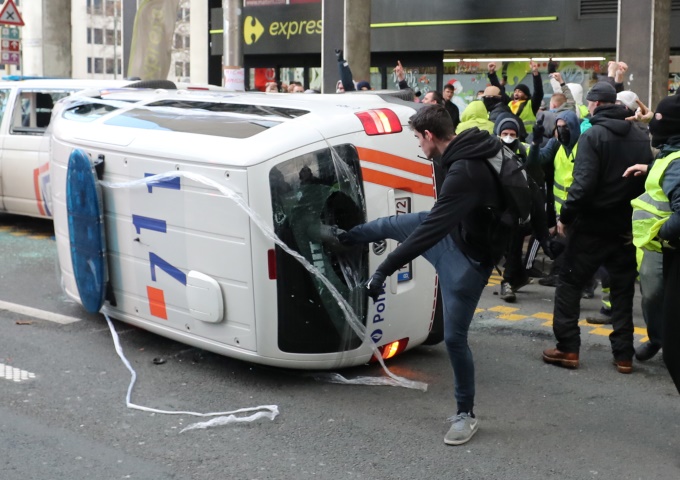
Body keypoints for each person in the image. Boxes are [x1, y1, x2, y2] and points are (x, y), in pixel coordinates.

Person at [332, 105, 505, 445]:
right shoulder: (475, 147)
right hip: (458, 235)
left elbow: (427, 234)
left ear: (429, 135)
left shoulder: (464, 171)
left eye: (417, 138)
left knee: (455, 339)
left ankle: (465, 415)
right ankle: (342, 238)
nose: (418, 145)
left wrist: (382, 271)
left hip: (467, 265)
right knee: (392, 224)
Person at [542, 82, 653, 374]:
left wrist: (565, 217)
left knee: (569, 284)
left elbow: (582, 186)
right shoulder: (640, 136)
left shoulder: (592, 136)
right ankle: (624, 355)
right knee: (622, 290)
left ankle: (567, 348)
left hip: (591, 225)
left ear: (595, 105)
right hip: (625, 226)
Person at [624, 94, 680, 391]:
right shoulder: (669, 152)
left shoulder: (675, 161)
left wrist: (662, 233)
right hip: (658, 248)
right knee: (652, 295)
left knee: (658, 296)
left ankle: (665, 340)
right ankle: (659, 338)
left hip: (666, 246)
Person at [488, 61, 544, 136]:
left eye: (520, 92)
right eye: (515, 91)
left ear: (526, 96)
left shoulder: (531, 105)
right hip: (511, 135)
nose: (516, 93)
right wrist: (492, 74)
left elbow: (538, 92)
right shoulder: (509, 103)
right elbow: (499, 90)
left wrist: (535, 73)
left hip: (528, 137)